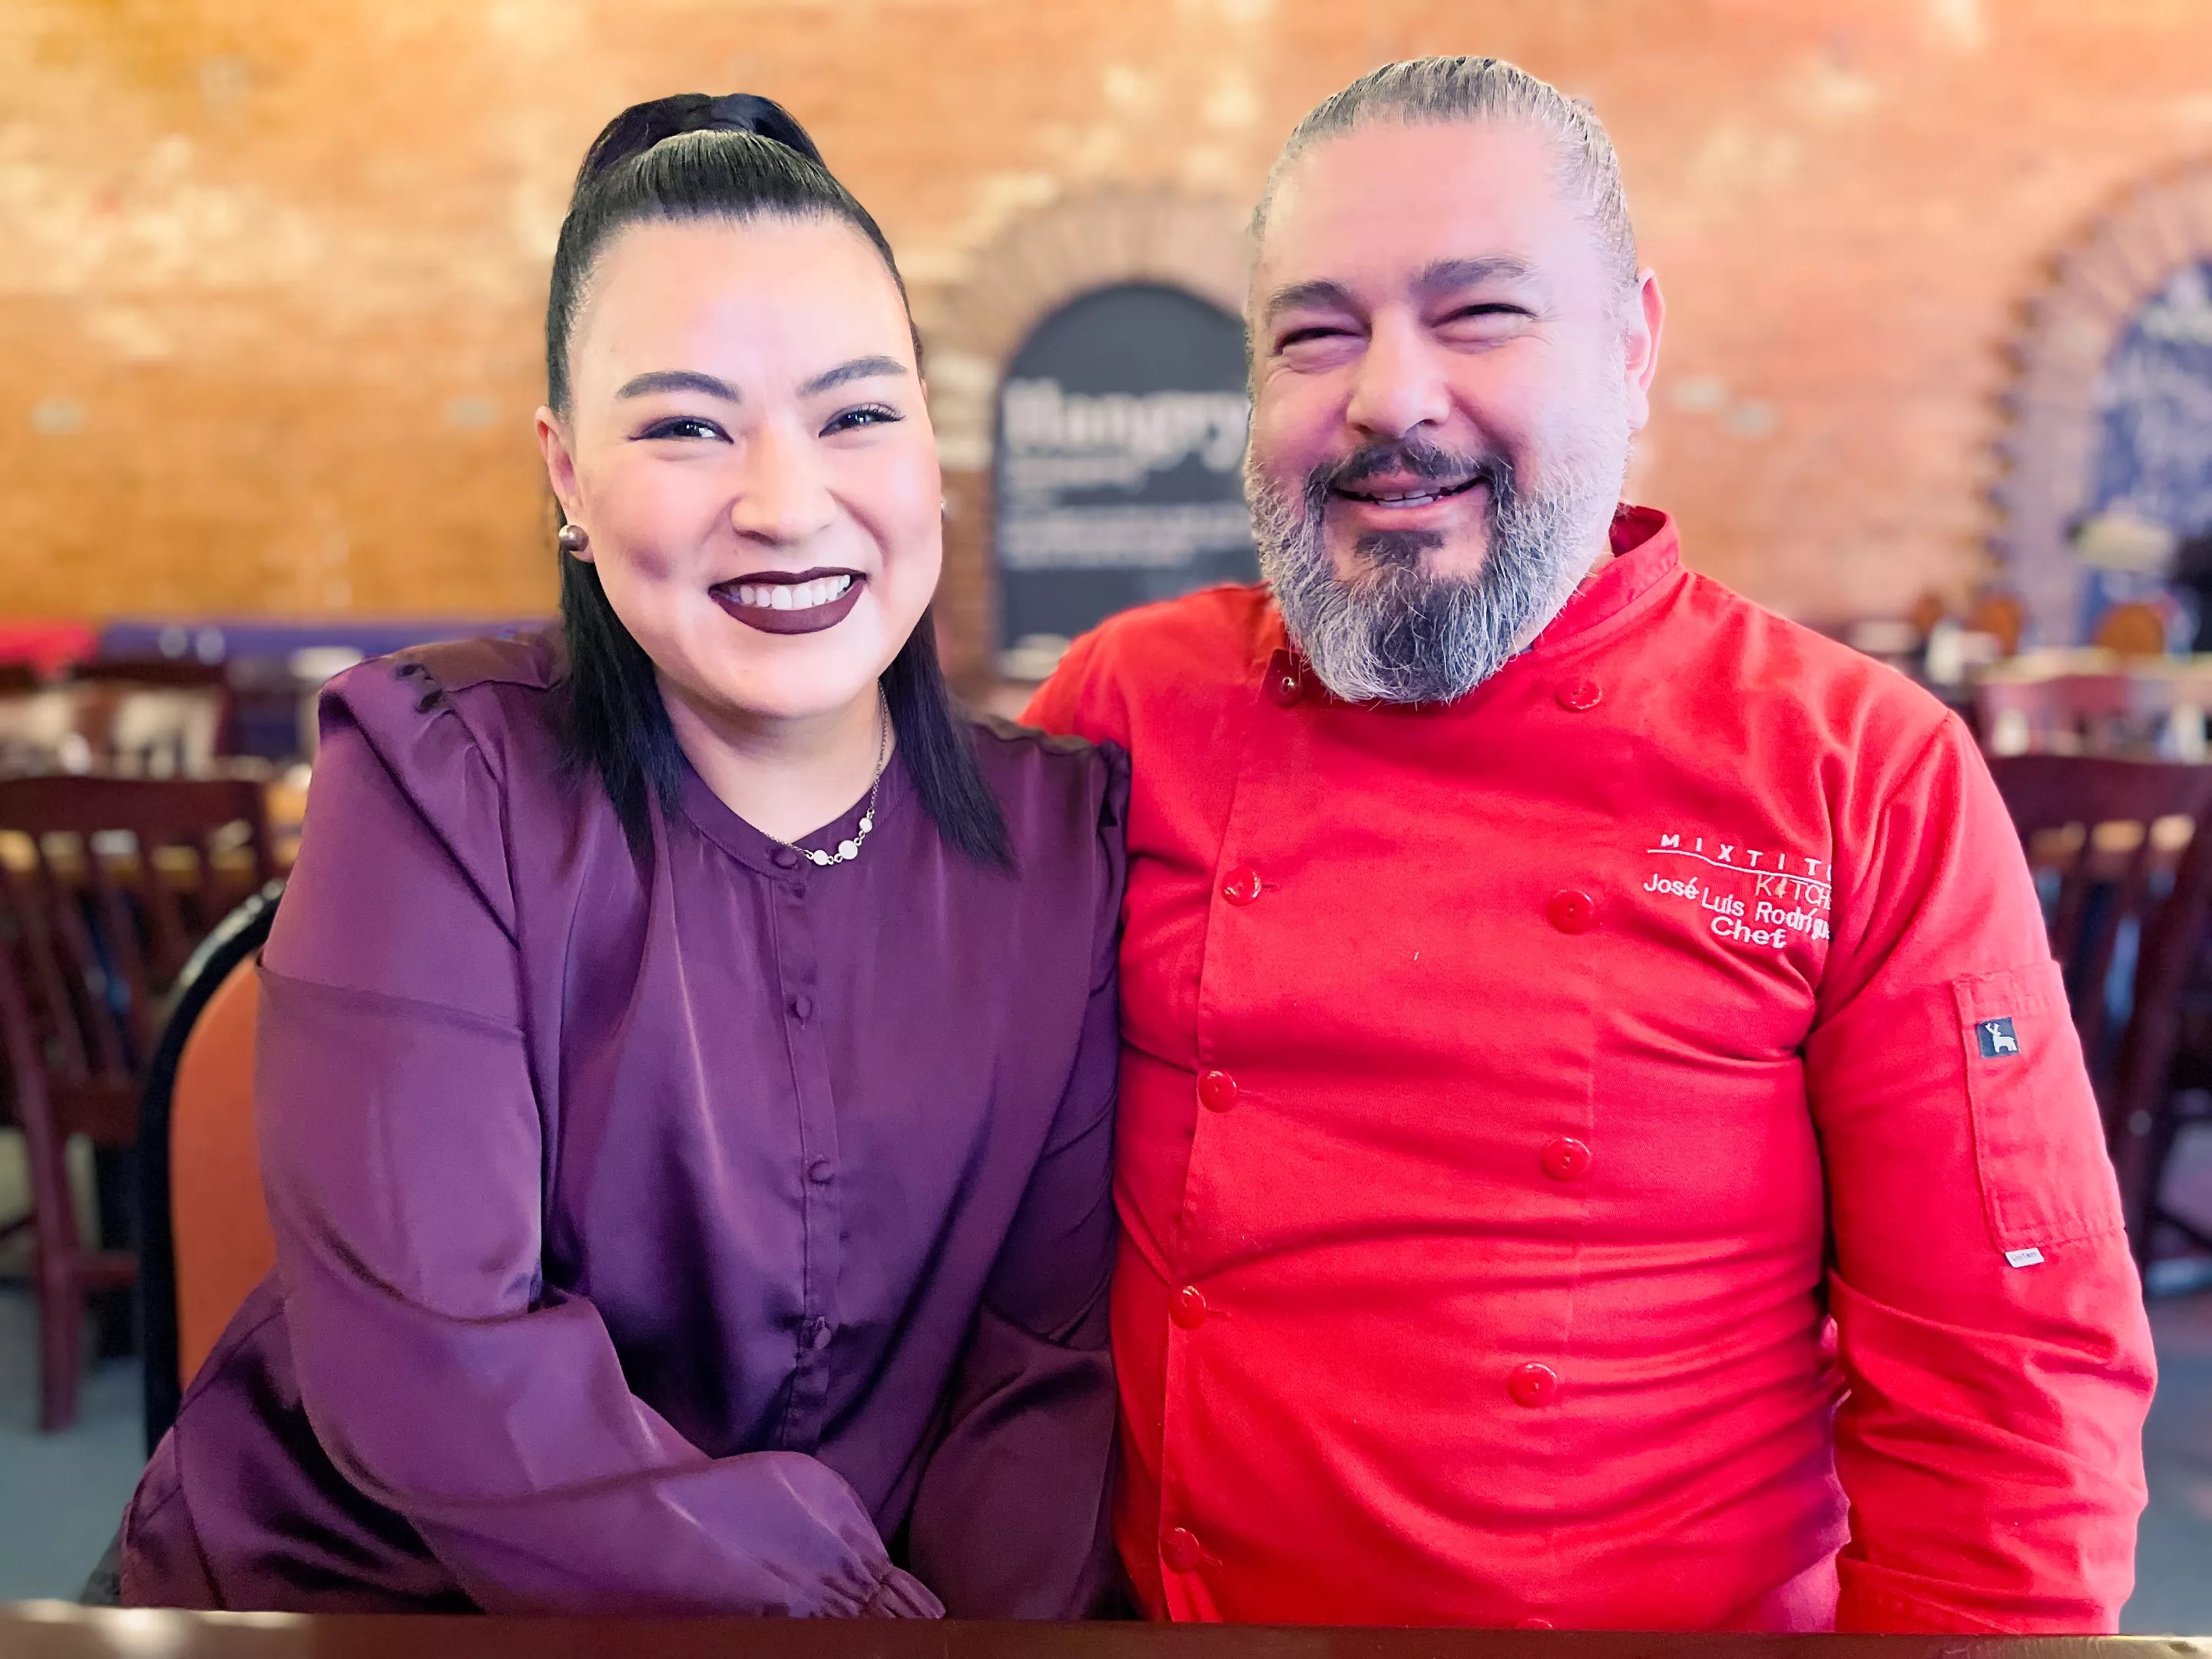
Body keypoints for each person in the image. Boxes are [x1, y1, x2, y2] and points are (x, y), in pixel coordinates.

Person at [1026, 57, 2154, 1633]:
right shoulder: (1128, 707)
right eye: (1314, 333)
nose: (1388, 399)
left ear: (1631, 351)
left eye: (1479, 314)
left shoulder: (1859, 772)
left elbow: (2008, 1393)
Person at [119, 94, 1124, 1618]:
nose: (787, 504)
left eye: (858, 414)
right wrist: (856, 1623)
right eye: (683, 426)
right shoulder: (434, 775)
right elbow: (438, 1371)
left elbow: (1039, 1379)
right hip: (393, 1610)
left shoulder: (1064, 840)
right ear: (569, 481)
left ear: (933, 446)